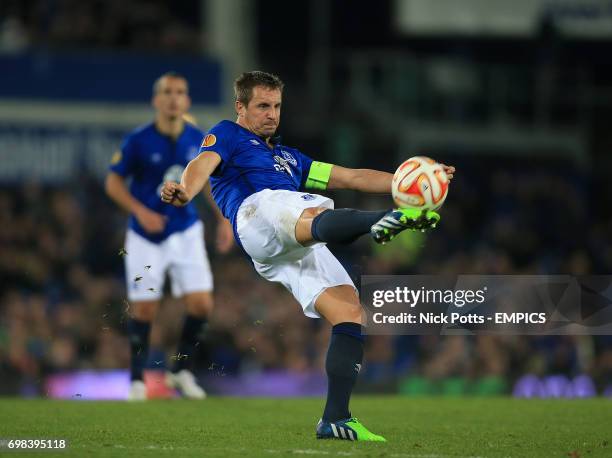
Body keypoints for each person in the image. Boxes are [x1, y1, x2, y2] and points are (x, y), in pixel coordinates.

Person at [160, 71, 454, 440]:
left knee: (349, 311)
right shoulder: (228, 134)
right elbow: (200, 165)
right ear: (240, 107)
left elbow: (351, 178)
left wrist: (413, 179)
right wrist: (186, 192)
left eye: (277, 106)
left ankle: (336, 418)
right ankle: (381, 221)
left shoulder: (289, 158)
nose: (272, 114)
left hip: (286, 244)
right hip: (255, 214)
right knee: (305, 212)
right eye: (263, 106)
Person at [105, 71, 233, 401]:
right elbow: (113, 182)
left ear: (187, 100)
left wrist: (223, 219)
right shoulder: (138, 140)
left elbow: (205, 183)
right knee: (145, 309)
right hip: (145, 236)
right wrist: (141, 212)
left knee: (202, 305)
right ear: (156, 100)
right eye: (167, 92)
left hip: (185, 231)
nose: (174, 97)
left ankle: (181, 371)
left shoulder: (198, 139)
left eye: (180, 92)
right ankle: (136, 380)